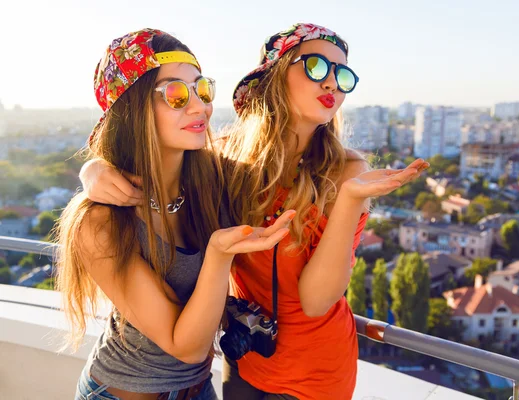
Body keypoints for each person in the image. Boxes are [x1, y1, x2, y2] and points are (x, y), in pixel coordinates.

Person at [79, 23, 429, 400]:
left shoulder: (346, 173)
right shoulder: (225, 163)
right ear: (276, 74)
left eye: (342, 75)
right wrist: (94, 170)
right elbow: (149, 164)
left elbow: (315, 301)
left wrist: (348, 201)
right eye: (316, 67)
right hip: (245, 359)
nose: (332, 84)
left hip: (315, 373)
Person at [56, 28, 293, 400]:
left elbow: (285, 145)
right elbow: (186, 346)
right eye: (176, 94)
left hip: (198, 388)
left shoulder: (209, 181)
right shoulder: (100, 223)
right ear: (132, 107)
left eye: (201, 89)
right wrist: (218, 255)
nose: (200, 106)